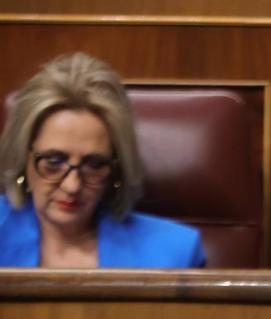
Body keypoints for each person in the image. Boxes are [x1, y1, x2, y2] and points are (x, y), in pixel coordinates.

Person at [0, 53, 206, 268]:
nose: (72, 186)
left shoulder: (176, 254)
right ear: (23, 157)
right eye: (53, 161)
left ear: (116, 169)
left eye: (94, 165)